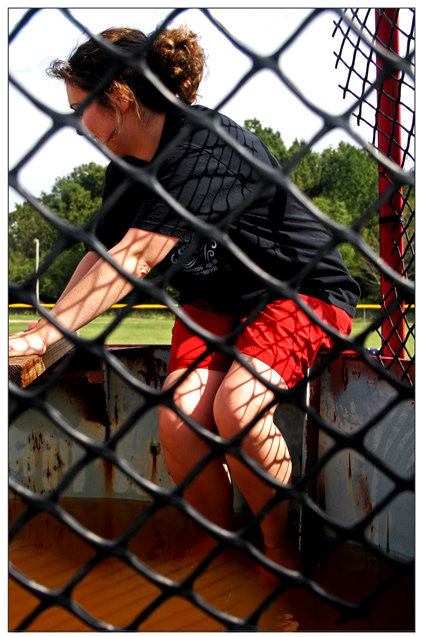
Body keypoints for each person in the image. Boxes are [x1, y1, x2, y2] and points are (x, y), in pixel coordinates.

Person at [9, 26, 360, 553]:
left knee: (237, 411)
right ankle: (218, 552)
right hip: (216, 300)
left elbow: (135, 256)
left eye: (81, 106)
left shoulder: (204, 144)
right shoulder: (126, 168)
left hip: (299, 291)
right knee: (176, 423)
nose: (74, 122)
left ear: (121, 99)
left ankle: (278, 552)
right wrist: (42, 331)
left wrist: (43, 337)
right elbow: (99, 252)